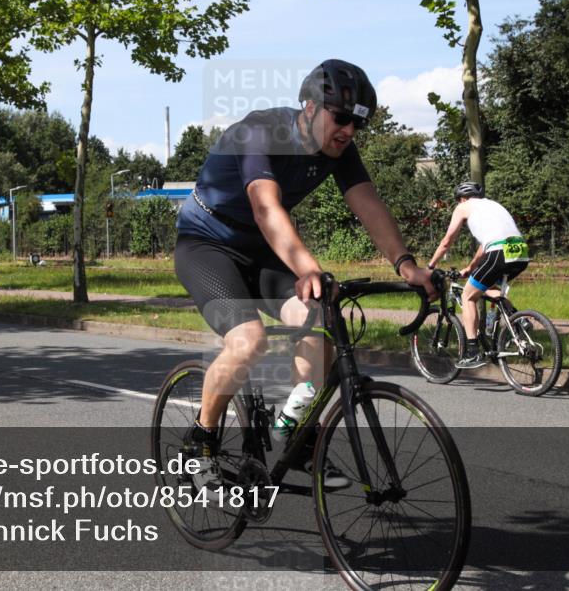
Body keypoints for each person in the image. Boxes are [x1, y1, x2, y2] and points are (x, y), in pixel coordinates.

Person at [174, 59, 436, 488]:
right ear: (311, 108)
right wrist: (308, 268)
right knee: (248, 342)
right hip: (207, 246)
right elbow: (265, 207)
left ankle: (297, 434)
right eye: (342, 118)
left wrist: (405, 264)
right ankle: (200, 439)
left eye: (357, 124)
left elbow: (367, 203)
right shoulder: (260, 132)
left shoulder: (340, 150)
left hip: (261, 252)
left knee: (320, 325)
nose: (349, 130)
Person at [426, 181, 530, 369]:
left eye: (459, 200)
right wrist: (470, 267)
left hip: (498, 252)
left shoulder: (464, 207)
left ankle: (472, 352)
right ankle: (518, 320)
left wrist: (430, 266)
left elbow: (447, 241)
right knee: (490, 288)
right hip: (520, 252)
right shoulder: (493, 205)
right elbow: (484, 246)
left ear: (463, 198)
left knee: (468, 296)